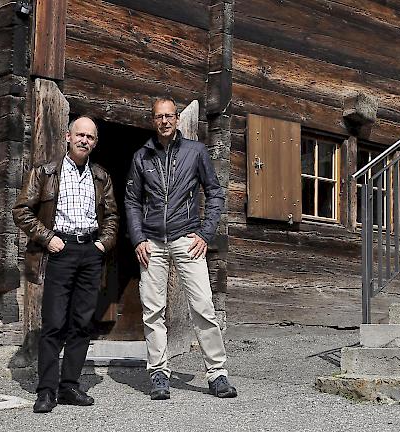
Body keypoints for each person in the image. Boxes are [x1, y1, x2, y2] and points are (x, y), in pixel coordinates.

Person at [124, 97, 237, 400]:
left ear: (177, 119)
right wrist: (137, 238)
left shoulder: (196, 151)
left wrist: (205, 232)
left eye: (169, 116)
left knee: (203, 306)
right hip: (151, 241)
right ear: (153, 120)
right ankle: (159, 373)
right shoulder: (142, 157)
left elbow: (214, 193)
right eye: (159, 116)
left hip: (186, 237)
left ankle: (217, 374)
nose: (164, 121)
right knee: (153, 311)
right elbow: (132, 201)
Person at [13, 116, 118, 413]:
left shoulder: (101, 176)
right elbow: (21, 210)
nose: (85, 140)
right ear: (68, 137)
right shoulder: (45, 172)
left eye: (91, 137)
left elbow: (111, 217)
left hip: (90, 251)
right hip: (59, 250)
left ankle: (69, 385)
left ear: (95, 142)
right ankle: (46, 390)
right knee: (55, 323)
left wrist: (102, 244)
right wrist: (47, 238)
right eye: (80, 135)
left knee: (82, 323)